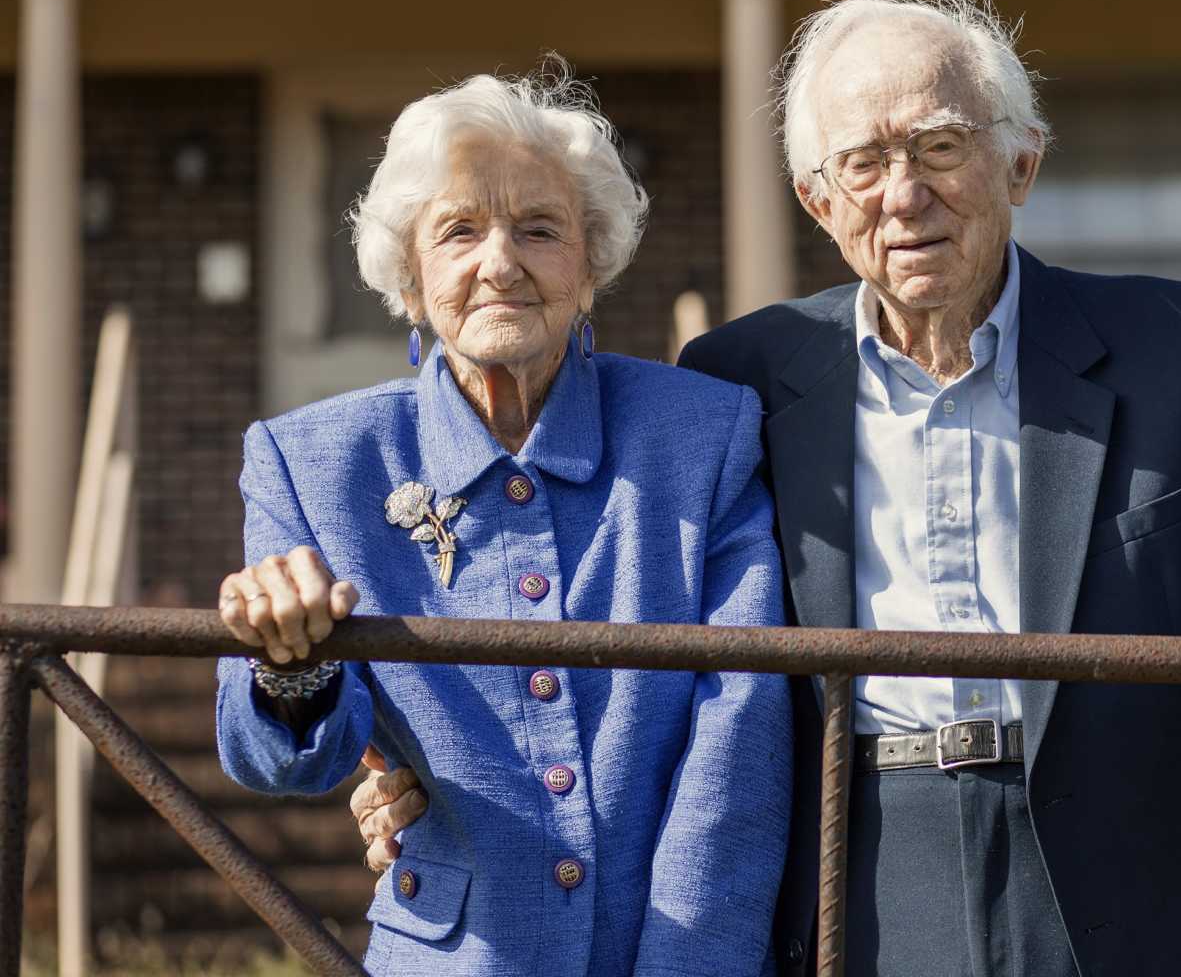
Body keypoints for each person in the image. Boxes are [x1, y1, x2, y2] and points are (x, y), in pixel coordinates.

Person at [352, 0, 1181, 977]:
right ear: (815, 200)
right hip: (850, 875)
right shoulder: (737, 382)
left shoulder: (1180, 346)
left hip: (1131, 888)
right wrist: (417, 772)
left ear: (1019, 161)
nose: (903, 194)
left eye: (937, 147)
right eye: (863, 164)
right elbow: (625, 625)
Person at [214, 67, 792, 977]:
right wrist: (292, 665)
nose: (500, 262)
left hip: (675, 945)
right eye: (458, 232)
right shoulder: (313, 461)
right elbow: (283, 764)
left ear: (590, 265)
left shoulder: (702, 433)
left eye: (539, 229)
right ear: (410, 277)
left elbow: (741, 725)